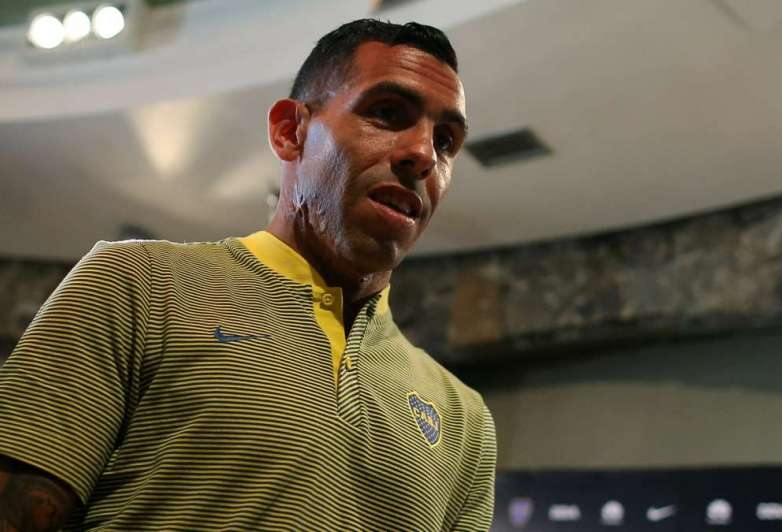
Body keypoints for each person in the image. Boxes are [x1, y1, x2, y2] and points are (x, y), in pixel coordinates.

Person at [0, 19, 496, 531]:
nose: (423, 154)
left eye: (446, 141)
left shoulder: (465, 420)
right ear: (290, 131)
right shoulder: (139, 284)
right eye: (387, 113)